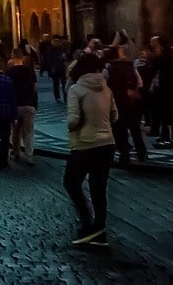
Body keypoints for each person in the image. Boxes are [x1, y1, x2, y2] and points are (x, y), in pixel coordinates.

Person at [63, 53, 118, 247]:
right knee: (99, 188)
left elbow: (73, 120)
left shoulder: (76, 89)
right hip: (107, 143)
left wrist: (71, 127)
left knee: (71, 182)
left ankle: (87, 222)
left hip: (85, 145)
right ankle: (99, 230)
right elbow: (115, 116)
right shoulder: (106, 88)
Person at [104, 46, 146, 166]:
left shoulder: (109, 68)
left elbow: (103, 84)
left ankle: (124, 156)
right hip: (131, 103)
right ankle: (141, 153)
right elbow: (140, 82)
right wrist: (132, 89)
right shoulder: (130, 66)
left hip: (116, 102)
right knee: (135, 129)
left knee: (120, 130)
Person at [7, 49, 38, 164]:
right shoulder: (29, 71)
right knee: (29, 131)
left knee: (15, 130)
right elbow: (34, 88)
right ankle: (29, 155)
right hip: (29, 104)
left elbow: (8, 90)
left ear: (12, 56)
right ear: (22, 58)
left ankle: (16, 152)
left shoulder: (10, 72)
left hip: (15, 105)